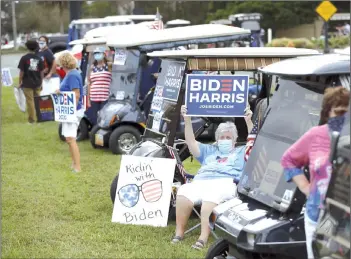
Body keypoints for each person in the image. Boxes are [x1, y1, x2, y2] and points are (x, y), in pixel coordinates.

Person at [281, 86, 350, 259]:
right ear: (328, 112)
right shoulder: (316, 136)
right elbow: (288, 159)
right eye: (339, 112)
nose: (344, 118)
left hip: (346, 218)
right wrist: (306, 187)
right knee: (323, 255)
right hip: (320, 215)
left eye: (348, 113)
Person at [171, 105, 253, 250]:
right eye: (222, 137)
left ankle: (202, 238)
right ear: (217, 139)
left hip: (226, 183)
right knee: (184, 191)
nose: (225, 140)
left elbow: (255, 143)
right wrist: (187, 120)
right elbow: (190, 141)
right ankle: (179, 233)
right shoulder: (209, 150)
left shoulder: (241, 151)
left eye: (228, 137)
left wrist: (248, 121)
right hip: (201, 181)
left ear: (234, 140)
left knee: (212, 196)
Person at [56, 52, 85, 173]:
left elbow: (76, 94)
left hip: (72, 111)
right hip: (70, 111)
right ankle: (74, 164)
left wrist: (71, 111)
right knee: (69, 138)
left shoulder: (72, 75)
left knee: (70, 138)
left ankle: (77, 166)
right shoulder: (71, 74)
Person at [17, 40, 44, 124]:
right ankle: (40, 118)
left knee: (30, 101)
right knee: (38, 100)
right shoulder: (39, 58)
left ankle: (32, 120)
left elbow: (22, 72)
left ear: (27, 47)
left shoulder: (24, 58)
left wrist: (20, 81)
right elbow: (41, 72)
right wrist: (41, 82)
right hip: (37, 82)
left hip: (27, 83)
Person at [88, 47, 112, 125]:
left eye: (99, 53)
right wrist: (88, 98)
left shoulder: (108, 66)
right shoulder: (92, 67)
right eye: (95, 53)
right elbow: (89, 83)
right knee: (95, 117)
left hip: (105, 96)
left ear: (104, 54)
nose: (97, 55)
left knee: (105, 116)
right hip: (93, 97)